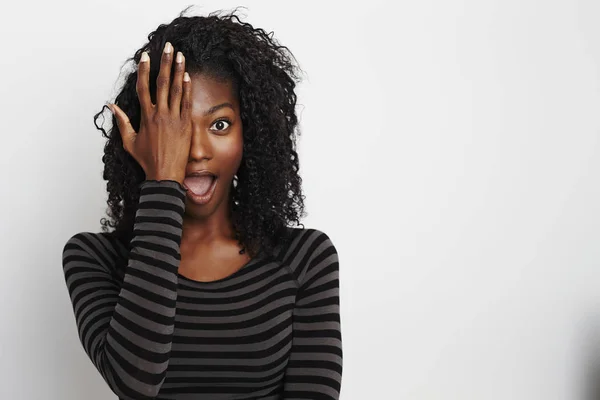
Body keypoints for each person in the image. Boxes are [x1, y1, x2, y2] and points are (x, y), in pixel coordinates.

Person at [61, 7, 342, 400]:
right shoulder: (94, 258)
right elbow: (135, 383)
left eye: (219, 124)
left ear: (252, 136)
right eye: (173, 129)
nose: (193, 150)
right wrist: (162, 179)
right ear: (143, 138)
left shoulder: (306, 258)